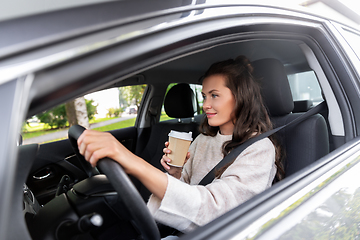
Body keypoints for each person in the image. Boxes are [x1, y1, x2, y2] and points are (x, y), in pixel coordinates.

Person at [77, 55, 284, 235]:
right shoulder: (203, 139)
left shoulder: (259, 149)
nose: (205, 105)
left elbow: (217, 210)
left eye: (214, 95)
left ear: (241, 98)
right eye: (204, 96)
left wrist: (131, 161)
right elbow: (185, 194)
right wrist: (176, 173)